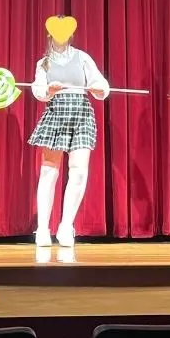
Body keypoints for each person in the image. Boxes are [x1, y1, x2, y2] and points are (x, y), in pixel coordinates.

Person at [28, 24, 110, 247]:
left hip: (81, 113)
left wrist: (100, 89)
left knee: (79, 171)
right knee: (49, 171)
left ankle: (66, 226)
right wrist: (48, 91)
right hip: (57, 112)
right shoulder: (43, 63)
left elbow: (99, 83)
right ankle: (43, 228)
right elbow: (38, 90)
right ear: (50, 34)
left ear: (71, 34)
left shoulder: (82, 57)